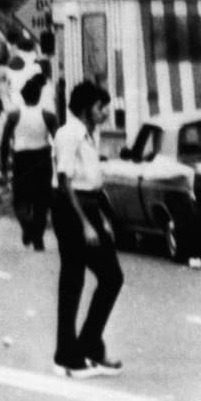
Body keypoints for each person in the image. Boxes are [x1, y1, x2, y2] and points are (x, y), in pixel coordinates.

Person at [51, 80, 124, 379]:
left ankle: (89, 345)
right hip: (72, 209)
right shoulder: (69, 134)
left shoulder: (87, 135)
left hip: (88, 205)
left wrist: (102, 218)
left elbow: (92, 182)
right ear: (84, 108)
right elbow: (65, 181)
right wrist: (85, 224)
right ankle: (69, 355)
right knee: (77, 279)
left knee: (107, 277)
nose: (105, 111)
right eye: (100, 106)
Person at [2, 75, 59, 251]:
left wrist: (4, 164)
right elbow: (57, 139)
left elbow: (5, 142)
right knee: (41, 201)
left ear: (23, 96)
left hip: (21, 159)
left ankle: (28, 227)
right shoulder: (48, 116)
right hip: (42, 158)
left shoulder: (14, 115)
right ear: (38, 96)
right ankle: (37, 236)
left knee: (20, 199)